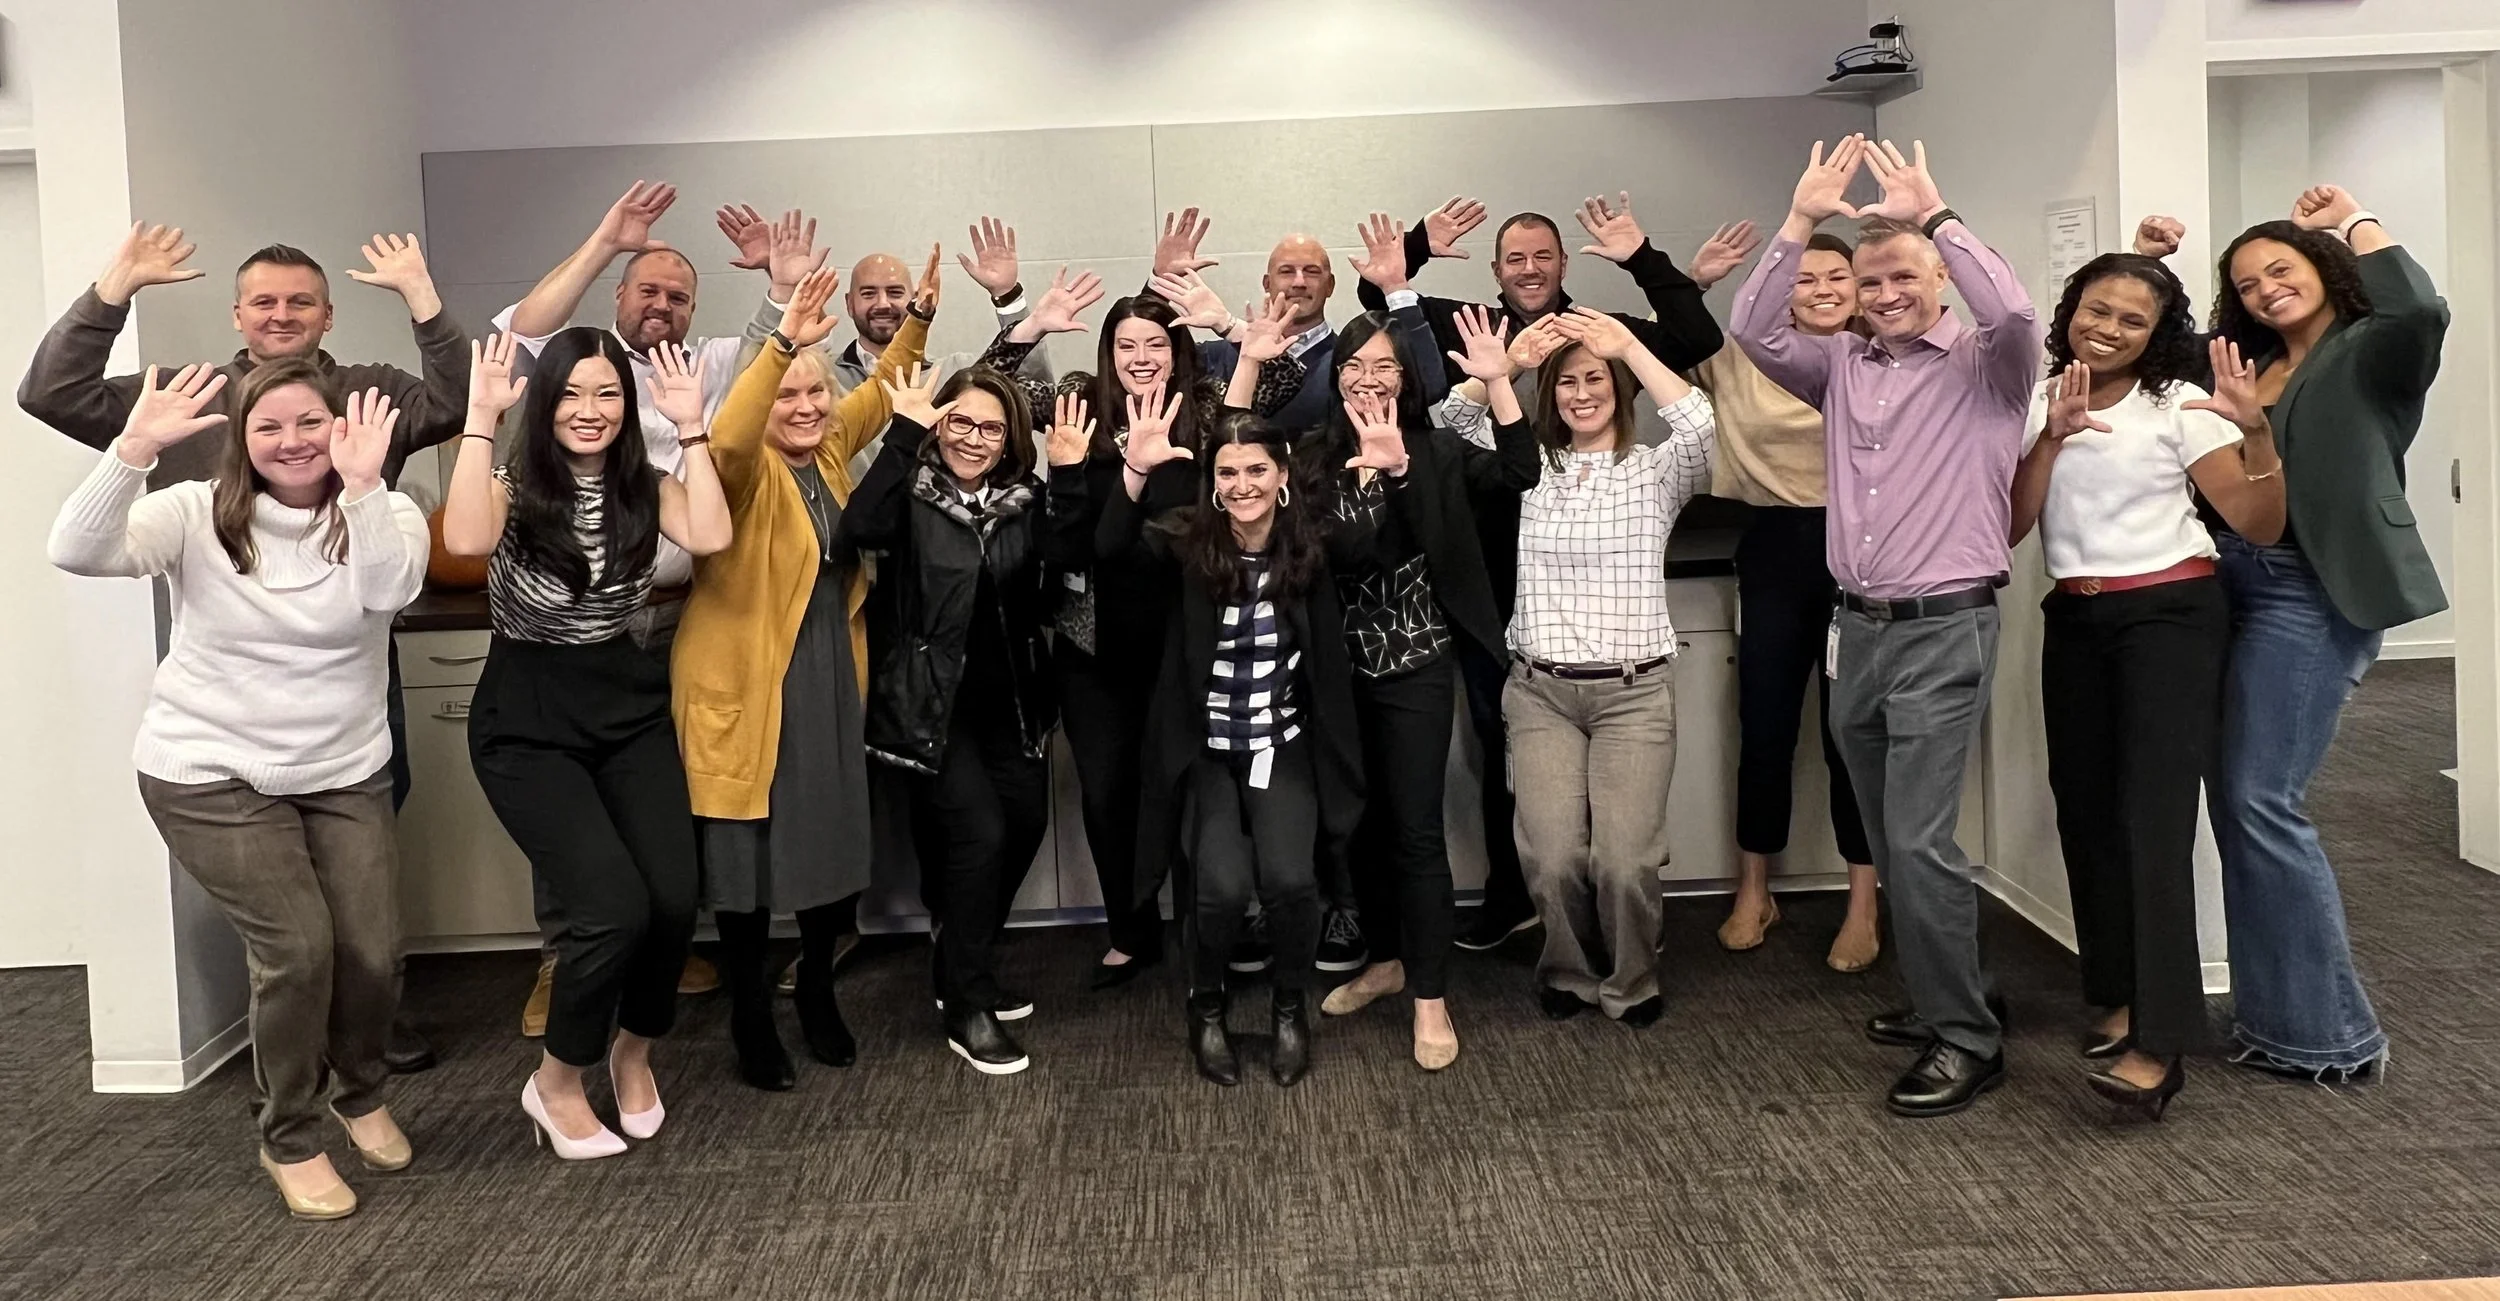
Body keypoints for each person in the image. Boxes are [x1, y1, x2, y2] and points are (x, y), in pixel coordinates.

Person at [20, 222, 469, 1075]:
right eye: (264, 301)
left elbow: (456, 400)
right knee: (286, 917)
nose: (281, 314)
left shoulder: (366, 397)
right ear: (237, 313)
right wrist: (113, 287)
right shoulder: (187, 395)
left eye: (300, 301)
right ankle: (297, 1034)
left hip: (346, 680)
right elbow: (51, 391)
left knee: (361, 896)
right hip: (226, 689)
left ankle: (362, 1020)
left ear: (328, 316)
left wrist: (422, 295)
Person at [49, 364, 427, 1219]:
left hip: (342, 768)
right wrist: (133, 450)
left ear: (341, 427)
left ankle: (359, 1090)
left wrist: (365, 487)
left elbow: (387, 591)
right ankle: (289, 1133)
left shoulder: (387, 510)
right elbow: (75, 549)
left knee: (373, 951)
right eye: (270, 427)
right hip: (207, 769)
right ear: (241, 439)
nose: (293, 441)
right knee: (298, 948)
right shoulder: (193, 514)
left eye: (311, 423)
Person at [1734, 136, 2042, 1118]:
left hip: (1940, 630)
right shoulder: (1842, 368)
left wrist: (1938, 212)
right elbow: (1749, 326)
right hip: (1855, 628)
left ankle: (1967, 1037)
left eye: (1903, 272)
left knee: (1914, 840)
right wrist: (1793, 224)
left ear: (1938, 277)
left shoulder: (1989, 367)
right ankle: (1946, 994)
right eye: (1871, 278)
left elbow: (2020, 309)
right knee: (1886, 829)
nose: (1885, 290)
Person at [1356, 192, 1727, 953]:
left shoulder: (1595, 335)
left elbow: (1695, 336)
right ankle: (1515, 895)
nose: (1529, 269)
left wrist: (1639, 260)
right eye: (1514, 258)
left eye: (1543, 256)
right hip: (1492, 555)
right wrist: (1427, 253)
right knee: (1505, 740)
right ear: (1496, 270)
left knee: (1604, 804)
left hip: (1592, 565)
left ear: (1562, 266)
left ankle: (1610, 922)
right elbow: (1382, 296)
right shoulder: (1475, 326)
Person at [495, 182, 818, 1023]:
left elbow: (763, 374)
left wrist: (779, 291)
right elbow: (519, 336)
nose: (664, 307)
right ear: (619, 297)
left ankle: (653, 947)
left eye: (679, 296)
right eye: (649, 291)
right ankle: (564, 957)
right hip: (570, 627)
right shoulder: (580, 369)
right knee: (569, 790)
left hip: (682, 608)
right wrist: (606, 239)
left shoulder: (702, 366)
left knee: (660, 790)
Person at [2008, 253, 2287, 1119]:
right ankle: (2118, 996)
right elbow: (2012, 524)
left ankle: (2161, 1044)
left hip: (2170, 615)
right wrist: (2052, 433)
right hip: (2076, 619)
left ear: (2157, 332)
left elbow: (2258, 521)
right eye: (2099, 310)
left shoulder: (2179, 404)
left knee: (2155, 824)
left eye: (2133, 320)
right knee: (2085, 814)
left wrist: (2255, 432)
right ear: (2072, 311)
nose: (2111, 328)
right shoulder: (2042, 396)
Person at [444, 330, 732, 1159]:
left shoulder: (651, 484)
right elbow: (464, 540)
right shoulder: (511, 484)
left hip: (624, 699)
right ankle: (557, 1079)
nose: (590, 411)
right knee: (610, 910)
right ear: (545, 404)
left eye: (607, 394)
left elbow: (710, 534)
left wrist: (694, 426)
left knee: (675, 898)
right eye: (570, 394)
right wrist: (477, 416)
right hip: (528, 717)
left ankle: (632, 1052)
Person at [1223, 302, 1533, 1070]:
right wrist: (1251, 365)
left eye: (1384, 367)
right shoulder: (1311, 457)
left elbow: (1522, 471)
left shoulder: (1433, 451)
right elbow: (1228, 458)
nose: (1368, 379)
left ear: (1408, 378)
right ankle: (1386, 961)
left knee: (1417, 833)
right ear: (1338, 379)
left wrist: (1493, 388)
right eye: (1355, 367)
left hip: (1415, 665)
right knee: (1350, 827)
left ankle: (1430, 998)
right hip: (1333, 672)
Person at [2204, 186, 2449, 1082]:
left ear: (2322, 269)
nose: (2267, 288)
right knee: (2237, 803)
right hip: (2232, 580)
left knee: (2263, 798)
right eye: (2248, 282)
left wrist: (2355, 219)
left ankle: (2331, 1035)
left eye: (2282, 268)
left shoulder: (2373, 350)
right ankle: (2277, 1018)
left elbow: (2419, 303)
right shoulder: (2255, 366)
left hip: (2313, 591)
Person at [1102, 403, 1403, 1087]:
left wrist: (1391, 472)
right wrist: (1133, 471)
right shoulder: (1186, 542)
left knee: (1292, 881)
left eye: (1256, 470)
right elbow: (1109, 551)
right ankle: (1206, 1008)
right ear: (1212, 480)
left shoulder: (1310, 544)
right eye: (1228, 471)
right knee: (1221, 888)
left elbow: (1376, 542)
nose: (1242, 485)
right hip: (1208, 751)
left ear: (1282, 473)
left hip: (1282, 744)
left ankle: (1289, 1007)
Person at [670, 266, 910, 1090]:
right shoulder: (737, 467)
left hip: (827, 673)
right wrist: (777, 348)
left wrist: (921, 315)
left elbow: (878, 393)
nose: (806, 407)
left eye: (815, 393)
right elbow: (732, 426)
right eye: (788, 396)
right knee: (744, 853)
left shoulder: (828, 451)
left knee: (827, 839)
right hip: (746, 679)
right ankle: (748, 1010)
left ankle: (813, 983)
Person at [1034, 291, 1305, 990]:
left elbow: (1276, 382)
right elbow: (983, 393)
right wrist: (1022, 319)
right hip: (1094, 646)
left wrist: (1231, 329)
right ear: (1108, 353)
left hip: (1181, 644)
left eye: (1156, 344)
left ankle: (1202, 931)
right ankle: (1130, 930)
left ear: (1176, 351)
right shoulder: (1078, 402)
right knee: (1107, 794)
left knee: (1188, 790)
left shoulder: (1204, 406)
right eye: (1128, 345)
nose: (1142, 358)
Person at [841, 344, 1078, 1076]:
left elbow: (1054, 588)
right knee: (977, 833)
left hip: (1010, 703)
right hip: (930, 708)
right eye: (960, 423)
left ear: (1011, 439)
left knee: (1024, 826)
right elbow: (857, 532)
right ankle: (966, 1002)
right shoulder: (908, 494)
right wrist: (902, 430)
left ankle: (958, 952)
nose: (973, 438)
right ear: (941, 424)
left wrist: (1065, 480)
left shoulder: (1024, 500)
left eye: (991, 429)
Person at [1502, 308, 1717, 1027]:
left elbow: (1699, 424)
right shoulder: (1528, 469)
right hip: (1540, 695)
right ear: (1548, 394)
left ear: (1619, 390)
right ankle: (1567, 967)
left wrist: (1627, 346)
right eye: (1566, 382)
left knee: (1624, 862)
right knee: (1554, 857)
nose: (1581, 393)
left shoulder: (1655, 469)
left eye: (1596, 379)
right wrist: (1505, 367)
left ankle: (1631, 978)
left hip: (1633, 694)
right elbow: (1456, 423)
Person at [1684, 222, 1882, 973]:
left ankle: (1864, 899)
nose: (1824, 290)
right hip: (1772, 549)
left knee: (1850, 736)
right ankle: (1753, 888)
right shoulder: (1740, 356)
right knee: (1762, 728)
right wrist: (1696, 280)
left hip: (1864, 556)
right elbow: (1661, 346)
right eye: (1805, 277)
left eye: (1840, 277)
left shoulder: (1883, 357)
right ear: (1781, 288)